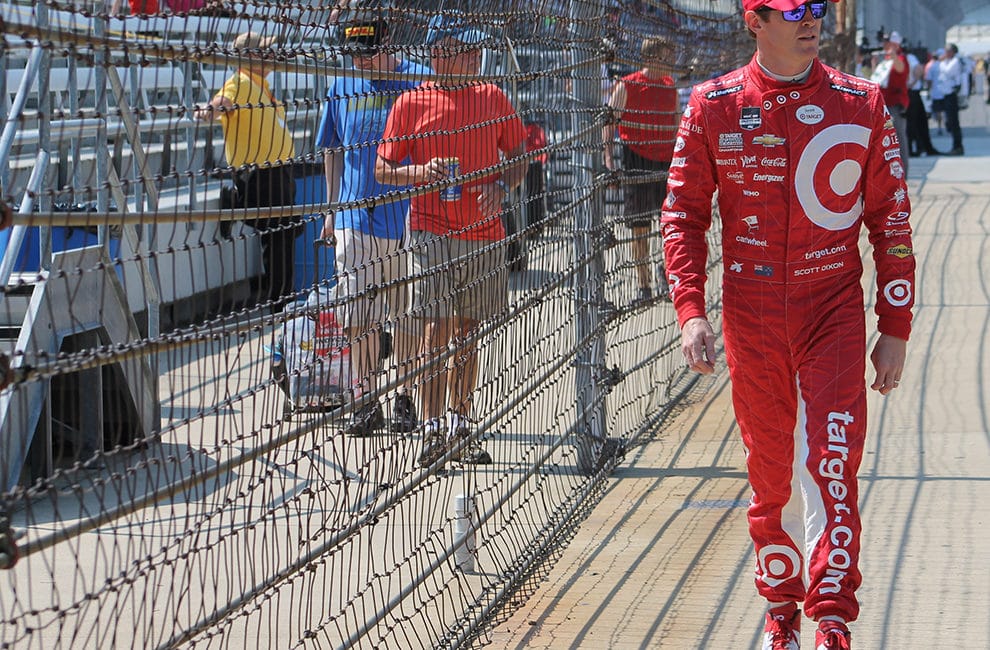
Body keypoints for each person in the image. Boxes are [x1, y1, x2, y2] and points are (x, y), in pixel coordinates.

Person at [661, 2, 915, 649]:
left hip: (832, 308)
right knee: (771, 470)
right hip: (751, 313)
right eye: (792, 8)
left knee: (831, 461)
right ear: (755, 19)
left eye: (818, 7)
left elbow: (890, 218)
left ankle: (831, 614)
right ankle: (782, 607)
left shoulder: (861, 103)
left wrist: (896, 325)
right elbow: (683, 215)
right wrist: (690, 311)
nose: (810, 20)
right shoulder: (711, 103)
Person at [375, 11, 526, 467]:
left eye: (478, 49)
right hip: (431, 231)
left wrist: (504, 186)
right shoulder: (411, 102)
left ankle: (461, 425)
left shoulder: (493, 96)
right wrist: (419, 173)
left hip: (484, 234)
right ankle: (432, 427)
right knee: (435, 332)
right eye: (468, 49)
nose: (478, 56)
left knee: (467, 333)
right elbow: (382, 169)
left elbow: (518, 154)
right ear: (440, 54)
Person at [314, 3, 432, 437]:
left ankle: (403, 396)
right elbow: (331, 149)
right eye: (355, 52)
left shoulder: (417, 79)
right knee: (358, 316)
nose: (361, 59)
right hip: (353, 217)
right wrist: (330, 211)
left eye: (369, 50)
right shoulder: (342, 85)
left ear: (388, 40)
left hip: (408, 217)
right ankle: (366, 401)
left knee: (404, 315)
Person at [195, 31, 299, 305]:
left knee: (286, 230)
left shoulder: (262, 85)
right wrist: (210, 110)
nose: (273, 55)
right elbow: (222, 102)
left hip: (280, 170)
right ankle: (282, 302)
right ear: (249, 57)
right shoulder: (240, 82)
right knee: (280, 234)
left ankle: (236, 202)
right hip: (261, 172)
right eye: (265, 50)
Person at [602, 36, 679, 304]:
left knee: (669, 225)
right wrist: (609, 161)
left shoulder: (670, 85)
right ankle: (643, 285)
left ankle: (666, 274)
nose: (673, 62)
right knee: (639, 228)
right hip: (636, 159)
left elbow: (676, 124)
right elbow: (608, 125)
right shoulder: (628, 84)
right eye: (669, 57)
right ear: (653, 58)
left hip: (665, 162)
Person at [871, 32, 910, 169]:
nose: (885, 45)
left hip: (895, 104)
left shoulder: (900, 58)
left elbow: (901, 69)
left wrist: (893, 54)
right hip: (883, 102)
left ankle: (903, 170)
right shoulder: (885, 60)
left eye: (888, 43)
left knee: (897, 137)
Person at [905, 48, 939, 156]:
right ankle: (919, 147)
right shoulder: (908, 58)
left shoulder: (908, 58)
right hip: (911, 91)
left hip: (911, 91)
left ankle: (916, 148)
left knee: (913, 122)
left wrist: (911, 83)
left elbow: (919, 69)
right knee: (917, 122)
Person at [934, 44, 966, 155]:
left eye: (947, 51)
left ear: (952, 52)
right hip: (946, 94)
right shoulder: (948, 61)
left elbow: (947, 71)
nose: (945, 54)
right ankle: (956, 145)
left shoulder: (955, 62)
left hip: (951, 94)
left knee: (953, 122)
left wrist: (941, 62)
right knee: (950, 122)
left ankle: (958, 146)